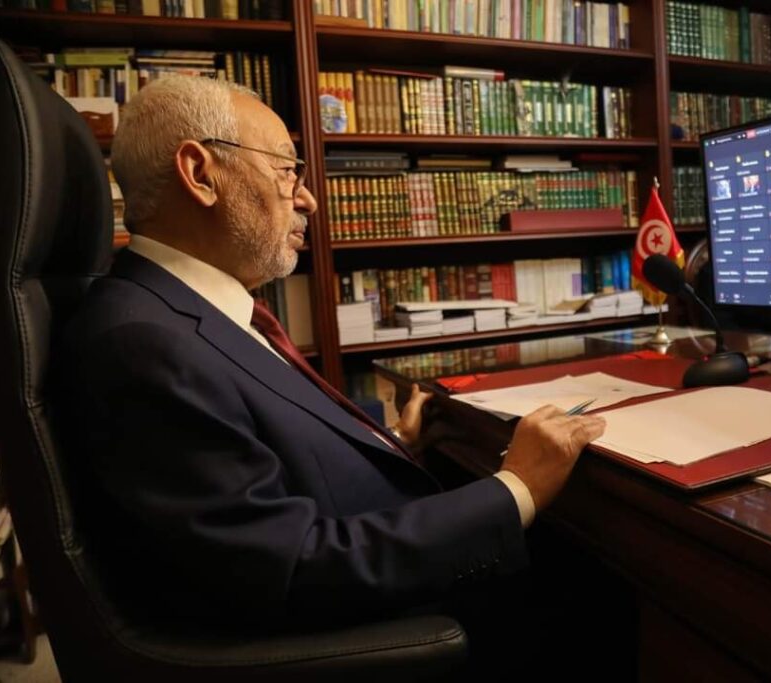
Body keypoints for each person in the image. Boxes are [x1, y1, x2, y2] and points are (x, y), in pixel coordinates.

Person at [51, 76, 608, 651]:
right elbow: (289, 570)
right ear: (200, 174)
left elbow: (262, 455)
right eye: (286, 170)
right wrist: (516, 488)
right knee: (605, 585)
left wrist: (390, 444)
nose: (308, 199)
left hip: (396, 556)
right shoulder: (142, 344)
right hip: (403, 628)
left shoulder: (191, 311)